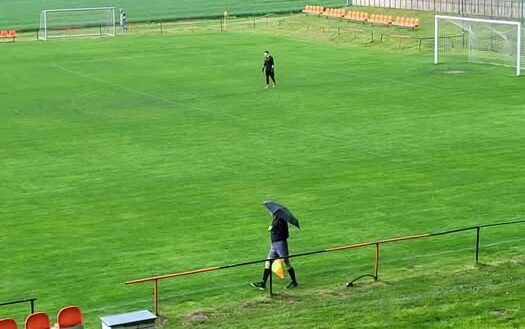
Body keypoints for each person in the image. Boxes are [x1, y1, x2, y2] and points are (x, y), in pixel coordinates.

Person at [251, 213, 298, 290]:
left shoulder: (280, 220)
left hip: (280, 244)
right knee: (268, 262)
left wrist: (271, 228)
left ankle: (294, 282)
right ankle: (263, 283)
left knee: (285, 261)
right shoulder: (276, 219)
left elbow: (272, 229)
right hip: (274, 244)